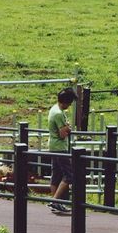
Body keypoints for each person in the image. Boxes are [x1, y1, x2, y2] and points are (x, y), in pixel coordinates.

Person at [47, 87, 76, 215]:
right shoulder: (59, 113)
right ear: (65, 101)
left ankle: (56, 204)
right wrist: (68, 128)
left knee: (56, 175)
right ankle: (55, 201)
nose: (69, 105)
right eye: (69, 103)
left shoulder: (53, 109)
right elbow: (63, 134)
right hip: (60, 147)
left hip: (53, 146)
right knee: (69, 175)